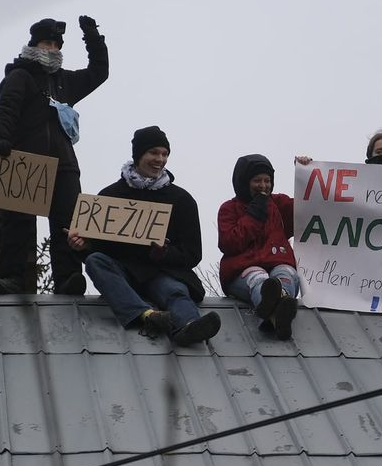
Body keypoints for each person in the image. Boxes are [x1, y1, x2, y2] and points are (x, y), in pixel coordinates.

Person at [0, 15, 110, 296]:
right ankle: (14, 278)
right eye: (46, 42)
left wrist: (92, 36)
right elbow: (7, 107)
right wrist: (0, 138)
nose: (52, 48)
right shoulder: (21, 75)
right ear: (34, 44)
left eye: (56, 44)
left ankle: (67, 279)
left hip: (64, 163)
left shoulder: (65, 81)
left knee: (67, 223)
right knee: (18, 222)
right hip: (25, 160)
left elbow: (99, 72)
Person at [73, 126, 221, 346]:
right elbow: (98, 249)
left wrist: (165, 253)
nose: (159, 159)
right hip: (124, 272)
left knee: (175, 291)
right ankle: (146, 316)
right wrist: (82, 246)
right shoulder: (110, 196)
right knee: (95, 261)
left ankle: (189, 326)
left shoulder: (182, 199)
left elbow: (192, 254)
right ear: (138, 155)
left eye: (164, 154)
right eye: (153, 152)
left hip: (162, 272)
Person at [218, 154, 300, 340]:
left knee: (286, 273)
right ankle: (280, 309)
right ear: (244, 182)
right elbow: (229, 243)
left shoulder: (279, 205)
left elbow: (309, 207)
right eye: (257, 181)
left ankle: (273, 316)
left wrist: (307, 173)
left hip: (279, 265)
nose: (263, 186)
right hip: (242, 271)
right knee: (259, 277)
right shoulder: (229, 209)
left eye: (267, 180)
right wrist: (255, 214)